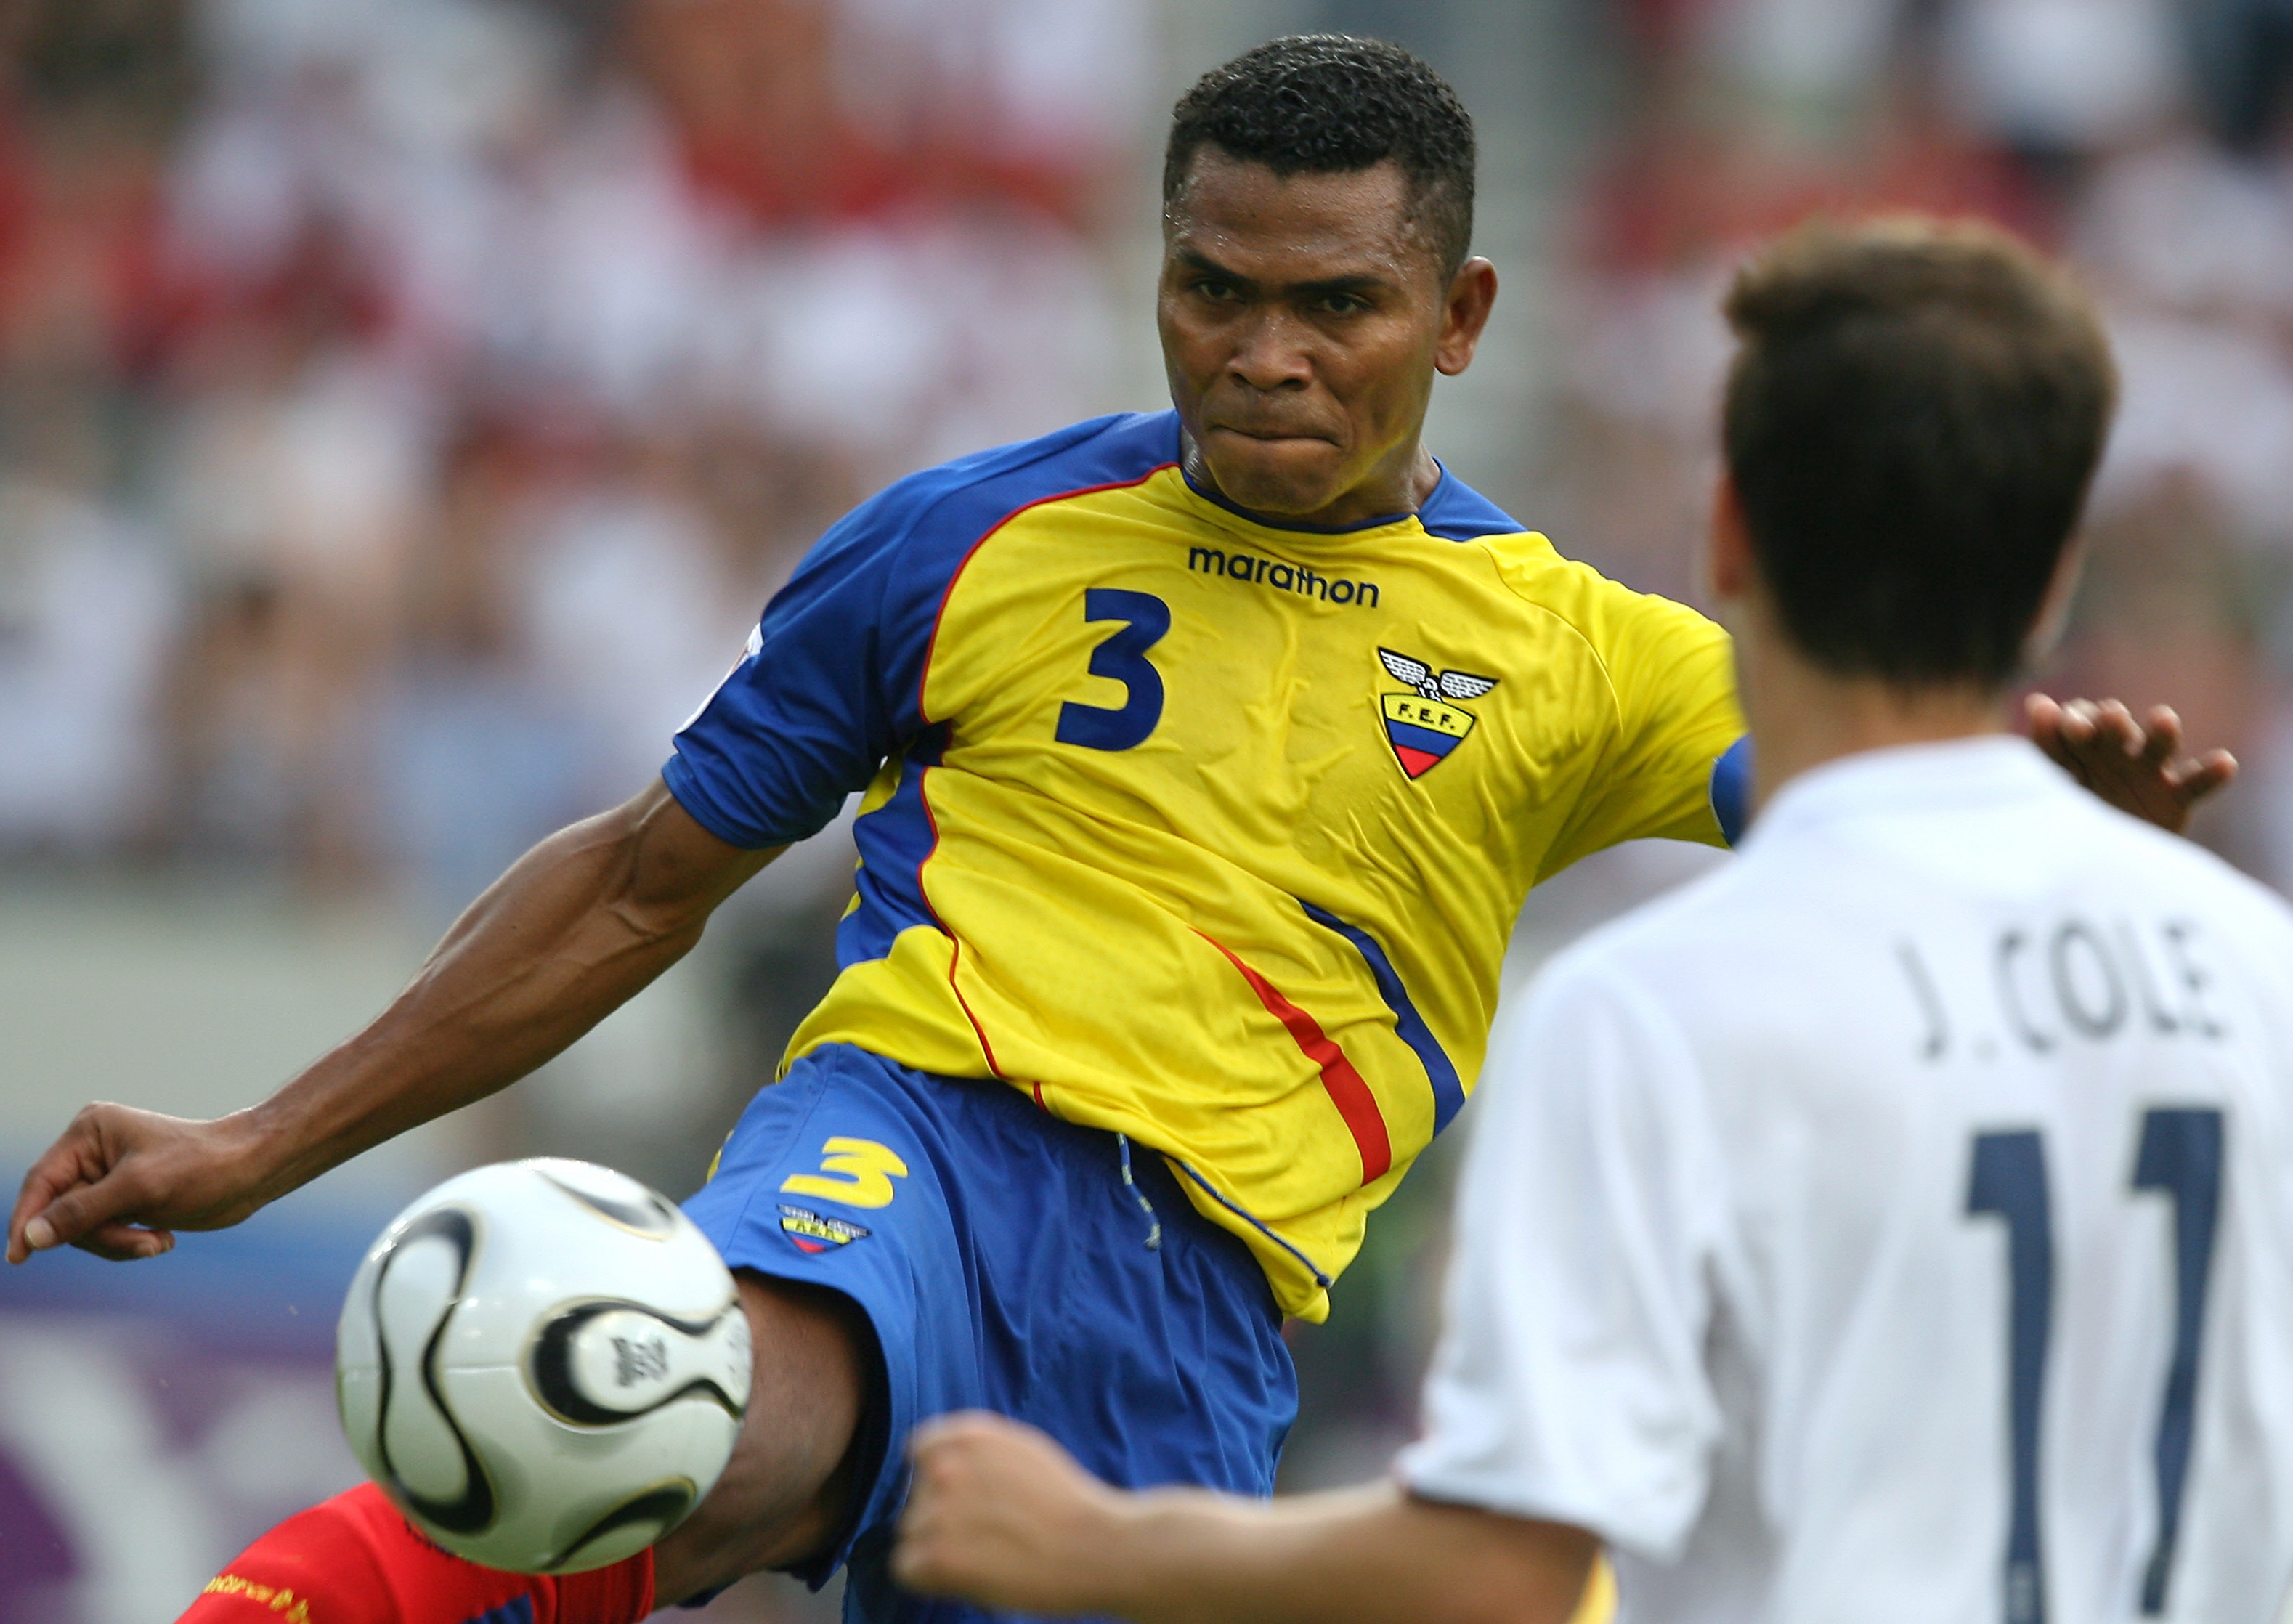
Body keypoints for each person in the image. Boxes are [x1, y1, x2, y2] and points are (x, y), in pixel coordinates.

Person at [11, 41, 2223, 1624]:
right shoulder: (965, 541)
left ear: (1459, 317)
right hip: (921, 1135)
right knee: (672, 1414)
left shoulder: (1580, 653)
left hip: (1205, 1321)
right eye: (1212, 288)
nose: (1262, 353)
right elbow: (634, 879)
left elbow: (1879, 794)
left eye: (1335, 303)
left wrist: (2058, 821)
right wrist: (258, 1144)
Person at [888, 218, 2293, 1624]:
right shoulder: (2257, 971)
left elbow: (1504, 1569)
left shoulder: (1653, 1011)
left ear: (1727, 535)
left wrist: (1089, 1542)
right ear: (2056, 576)